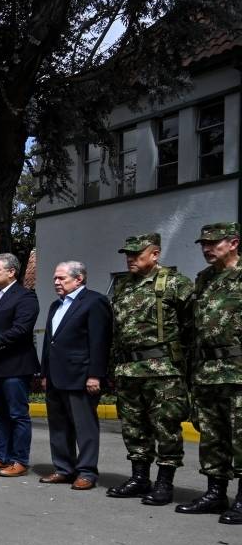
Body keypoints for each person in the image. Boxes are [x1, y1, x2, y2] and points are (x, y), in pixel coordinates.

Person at [105, 233, 193, 506]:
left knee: (165, 427)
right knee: (133, 428)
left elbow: (192, 327)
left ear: (154, 254)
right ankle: (139, 478)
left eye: (136, 254)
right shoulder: (122, 286)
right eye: (127, 254)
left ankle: (164, 483)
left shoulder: (176, 283)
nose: (130, 258)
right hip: (129, 369)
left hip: (163, 370)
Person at [177, 222, 242, 523]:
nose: (206, 249)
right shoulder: (203, 279)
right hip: (207, 371)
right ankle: (215, 493)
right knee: (212, 436)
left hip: (238, 371)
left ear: (233, 243)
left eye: (213, 243)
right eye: (203, 244)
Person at [39, 261, 112, 489]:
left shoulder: (94, 302)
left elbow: (100, 342)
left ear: (78, 279)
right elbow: (50, 342)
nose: (56, 282)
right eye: (54, 279)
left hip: (80, 376)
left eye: (61, 278)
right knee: (58, 426)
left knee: (84, 427)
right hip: (55, 375)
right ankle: (63, 468)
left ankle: (87, 472)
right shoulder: (55, 306)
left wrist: (95, 375)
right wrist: (44, 372)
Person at [0, 252, 40, 477]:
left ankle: (20, 460)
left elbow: (21, 329)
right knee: (1, 414)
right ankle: (0, 457)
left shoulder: (25, 297)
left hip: (15, 364)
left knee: (17, 414)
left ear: (11, 272)